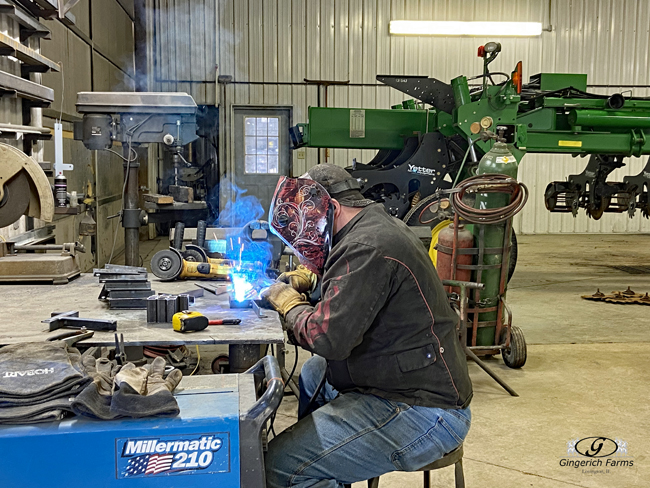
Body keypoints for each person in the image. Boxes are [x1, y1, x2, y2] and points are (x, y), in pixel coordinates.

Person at [262, 164, 472, 488]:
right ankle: (327, 462)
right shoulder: (370, 227)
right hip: (404, 379)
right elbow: (352, 292)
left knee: (278, 466)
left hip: (424, 410)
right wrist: (310, 279)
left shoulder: (366, 246)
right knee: (314, 373)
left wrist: (290, 306)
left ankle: (310, 469)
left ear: (329, 207)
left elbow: (329, 339)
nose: (305, 237)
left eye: (307, 222)